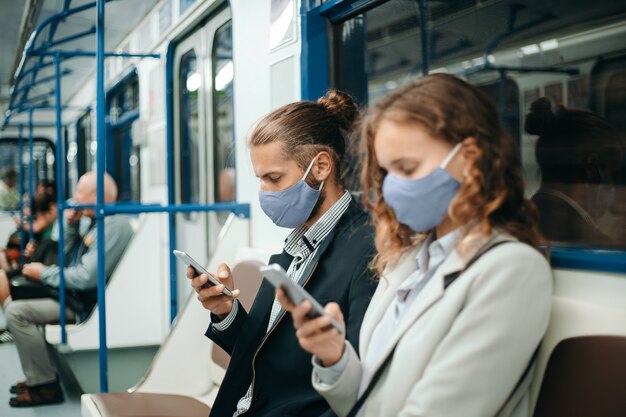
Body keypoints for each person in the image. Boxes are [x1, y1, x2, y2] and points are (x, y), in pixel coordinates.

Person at [280, 74, 553, 417]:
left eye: (407, 169)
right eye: (386, 173)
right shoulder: (407, 260)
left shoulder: (511, 270)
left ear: (468, 158)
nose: (392, 189)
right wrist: (334, 356)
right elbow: (368, 401)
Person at [187, 91, 377, 417]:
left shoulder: (368, 252)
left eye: (274, 178)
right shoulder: (294, 247)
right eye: (260, 179)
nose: (265, 192)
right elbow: (263, 357)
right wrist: (225, 311)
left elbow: (359, 386)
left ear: (320, 166)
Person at [0, 171, 134, 407]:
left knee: (15, 312)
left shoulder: (114, 226)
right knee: (14, 301)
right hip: (73, 294)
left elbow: (85, 278)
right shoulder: (92, 221)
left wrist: (44, 273)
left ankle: (45, 386)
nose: (74, 197)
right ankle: (38, 377)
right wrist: (71, 226)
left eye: (80, 192)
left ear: (96, 195)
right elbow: (64, 257)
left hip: (85, 303)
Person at [526, 97, 625, 247]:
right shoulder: (586, 237)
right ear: (591, 168)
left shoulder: (526, 215)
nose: (612, 188)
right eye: (611, 176)